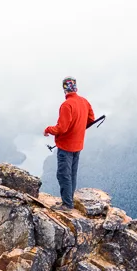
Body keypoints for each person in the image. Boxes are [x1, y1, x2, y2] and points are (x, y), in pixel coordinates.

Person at [44, 76, 95, 209]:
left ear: (64, 90)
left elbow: (61, 128)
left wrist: (48, 129)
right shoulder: (84, 102)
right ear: (75, 88)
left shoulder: (67, 105)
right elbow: (91, 119)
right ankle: (69, 200)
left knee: (63, 174)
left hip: (66, 146)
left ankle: (67, 204)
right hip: (78, 145)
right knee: (72, 173)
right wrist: (78, 127)